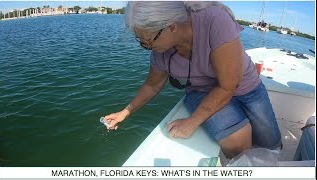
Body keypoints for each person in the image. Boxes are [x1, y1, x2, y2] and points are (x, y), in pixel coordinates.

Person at [104, 1, 282, 159]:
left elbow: (229, 85)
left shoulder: (214, 20)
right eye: (141, 41)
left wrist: (191, 122)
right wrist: (125, 112)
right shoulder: (160, 50)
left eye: (148, 41)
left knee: (271, 144)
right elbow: (152, 84)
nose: (147, 47)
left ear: (172, 26)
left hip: (245, 86)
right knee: (238, 144)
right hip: (201, 91)